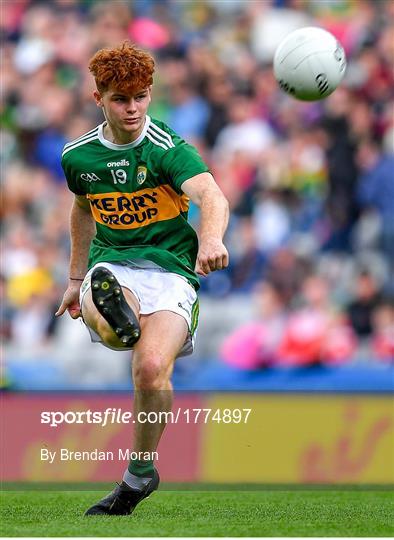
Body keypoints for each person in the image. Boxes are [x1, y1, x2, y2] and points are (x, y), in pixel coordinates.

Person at [55, 42, 229, 516]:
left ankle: (140, 473)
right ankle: (109, 310)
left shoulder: (168, 149)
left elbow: (212, 196)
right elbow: (82, 208)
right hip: (113, 262)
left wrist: (211, 239)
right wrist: (74, 278)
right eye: (120, 99)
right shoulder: (79, 157)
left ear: (150, 94)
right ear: (99, 99)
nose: (132, 109)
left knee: (151, 371)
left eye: (141, 97)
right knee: (109, 294)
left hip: (172, 270)